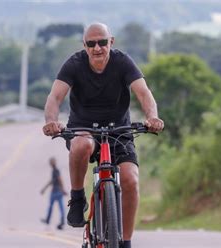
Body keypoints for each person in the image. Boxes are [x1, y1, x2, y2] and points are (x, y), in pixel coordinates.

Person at [42, 23, 164, 248]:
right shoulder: (74, 64)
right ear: (84, 45)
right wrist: (51, 121)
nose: (97, 48)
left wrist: (152, 117)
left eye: (102, 42)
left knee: (130, 180)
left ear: (111, 42)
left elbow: (143, 92)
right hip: (83, 127)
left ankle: (125, 242)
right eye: (91, 43)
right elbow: (55, 97)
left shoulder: (123, 62)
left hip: (119, 130)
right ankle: (78, 199)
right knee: (81, 146)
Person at [40, 157, 67, 230]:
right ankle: (52, 220)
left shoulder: (56, 171)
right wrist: (44, 189)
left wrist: (63, 189)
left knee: (53, 207)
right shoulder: (54, 171)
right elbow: (52, 181)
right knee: (57, 207)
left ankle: (57, 221)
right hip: (56, 191)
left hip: (56, 191)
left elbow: (60, 180)